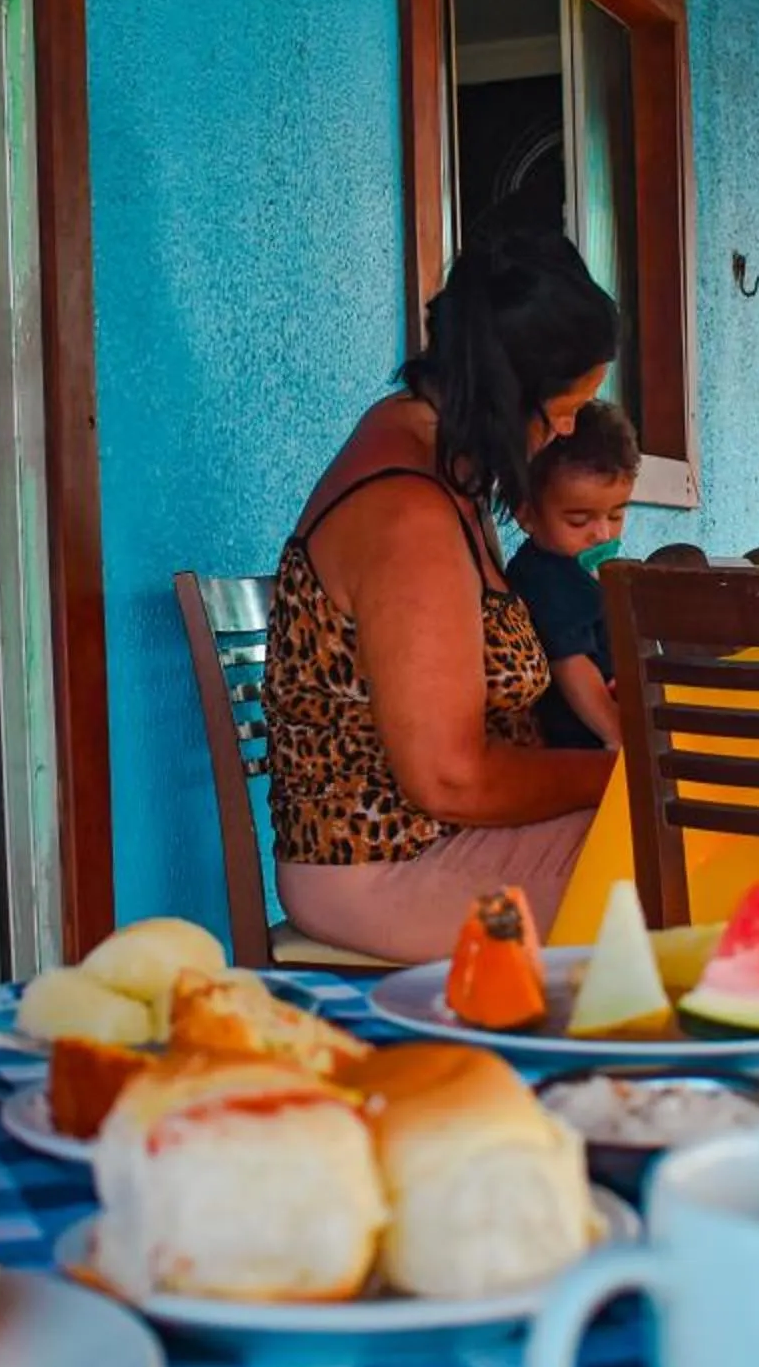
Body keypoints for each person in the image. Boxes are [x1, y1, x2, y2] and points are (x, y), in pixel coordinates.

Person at [263, 227, 621, 964]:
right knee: (704, 855)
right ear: (504, 388)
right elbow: (450, 778)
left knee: (714, 830)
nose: (565, 431)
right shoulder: (409, 514)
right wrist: (624, 771)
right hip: (385, 868)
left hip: (449, 844)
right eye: (562, 406)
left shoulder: (436, 461)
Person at [505, 399, 638, 750]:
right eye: (579, 520)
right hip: (583, 744)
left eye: (616, 516)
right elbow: (572, 664)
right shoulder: (549, 576)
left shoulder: (576, 565)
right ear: (526, 514)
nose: (602, 534)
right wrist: (616, 732)